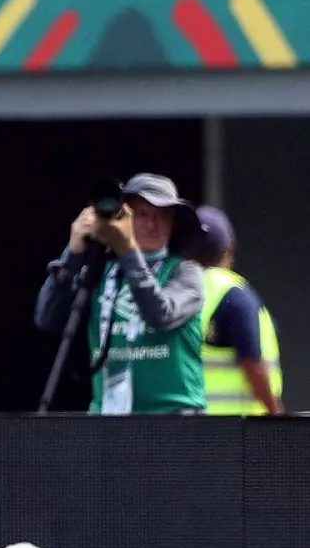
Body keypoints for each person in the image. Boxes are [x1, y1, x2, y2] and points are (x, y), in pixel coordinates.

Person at [35, 173, 206, 415]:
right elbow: (47, 317)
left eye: (161, 215)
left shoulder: (185, 272)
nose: (151, 224)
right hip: (110, 422)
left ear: (174, 223)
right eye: (142, 214)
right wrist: (72, 253)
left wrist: (127, 250)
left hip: (173, 420)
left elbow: (160, 315)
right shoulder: (101, 271)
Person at [194, 205, 284, 415]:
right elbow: (252, 363)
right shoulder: (233, 295)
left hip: (193, 424)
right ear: (229, 250)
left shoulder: (172, 289)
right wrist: (275, 412)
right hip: (239, 429)